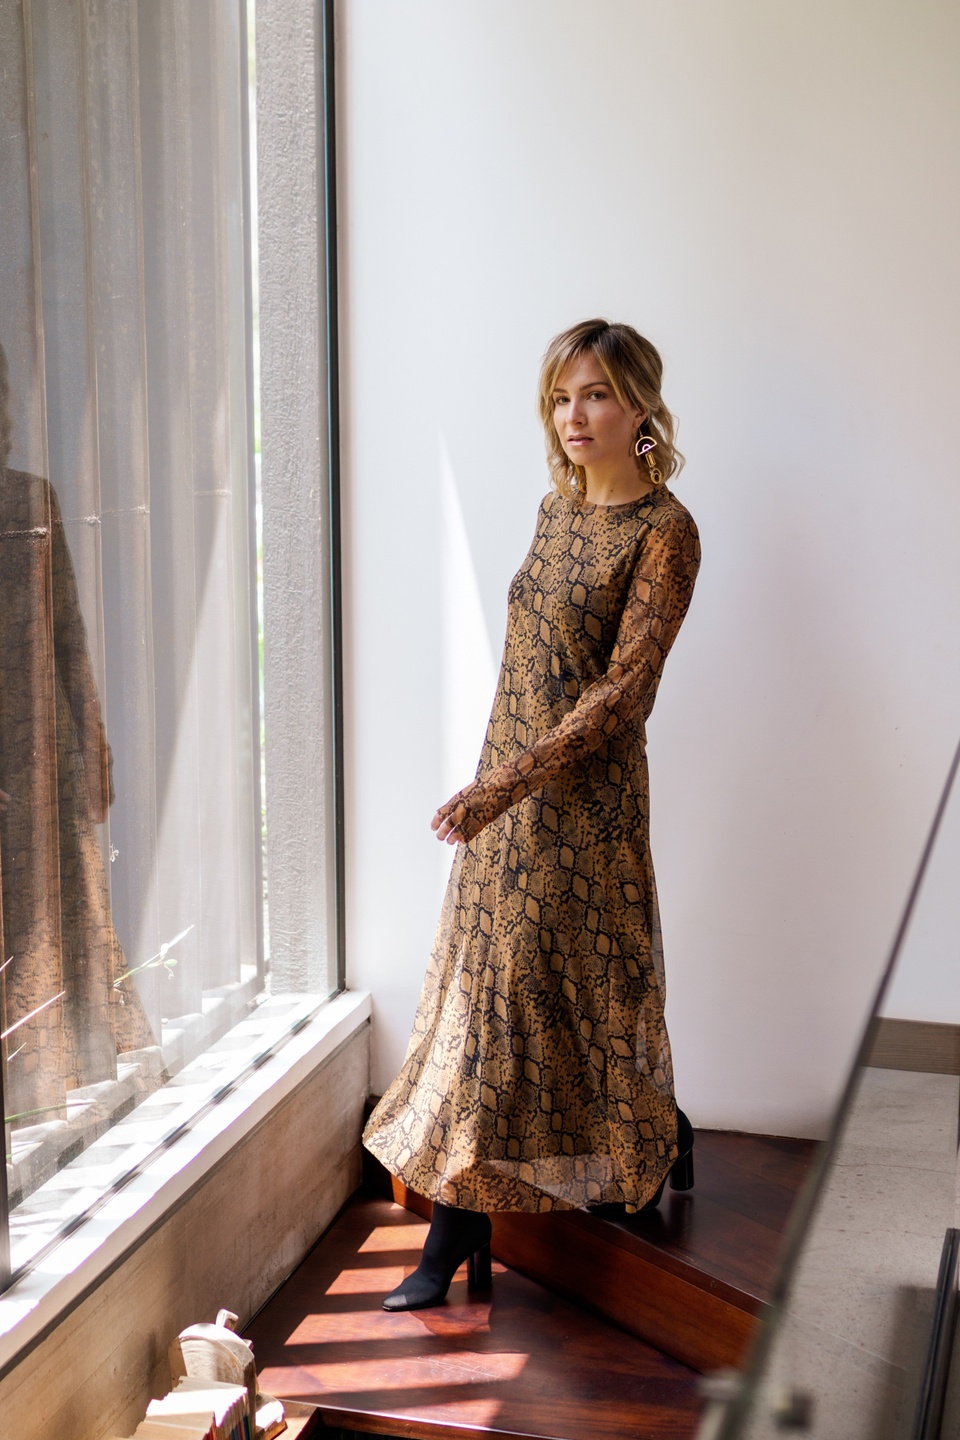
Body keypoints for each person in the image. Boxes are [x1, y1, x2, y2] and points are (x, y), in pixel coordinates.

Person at [363, 318, 701, 1311]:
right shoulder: (556, 511)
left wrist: (505, 786)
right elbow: (527, 669)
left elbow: (622, 692)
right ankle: (493, 1206)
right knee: (490, 995)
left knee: (563, 991)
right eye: (560, 397)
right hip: (502, 796)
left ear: (640, 406)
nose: (573, 417)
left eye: (595, 394)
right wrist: (493, 785)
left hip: (583, 807)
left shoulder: (665, 532)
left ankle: (482, 1216)